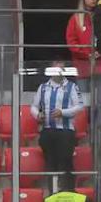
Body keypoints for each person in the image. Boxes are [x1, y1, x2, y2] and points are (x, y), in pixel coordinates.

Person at [31, 60, 87, 193]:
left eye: (61, 69)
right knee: (50, 164)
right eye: (56, 69)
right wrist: (38, 115)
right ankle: (53, 192)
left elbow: (79, 106)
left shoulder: (72, 87)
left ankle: (67, 193)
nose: (58, 72)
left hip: (65, 132)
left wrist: (63, 112)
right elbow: (33, 106)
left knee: (65, 163)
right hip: (47, 131)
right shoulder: (43, 87)